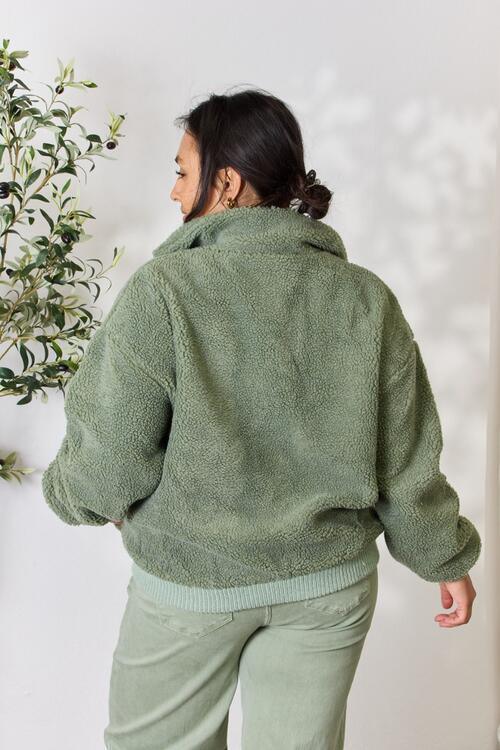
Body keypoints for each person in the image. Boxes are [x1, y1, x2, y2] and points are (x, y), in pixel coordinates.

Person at [42, 87, 481, 750]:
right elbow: (406, 456)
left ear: (225, 182)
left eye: (182, 172)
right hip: (328, 588)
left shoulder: (165, 291)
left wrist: (69, 497)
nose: (173, 192)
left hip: (193, 586)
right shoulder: (366, 297)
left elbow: (112, 453)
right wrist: (443, 556)